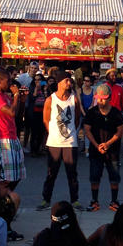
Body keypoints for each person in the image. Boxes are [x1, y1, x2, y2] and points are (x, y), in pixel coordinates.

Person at [38, 70, 83, 211]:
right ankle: (46, 200)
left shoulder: (74, 99)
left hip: (70, 143)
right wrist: (54, 134)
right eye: (67, 81)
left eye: (70, 80)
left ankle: (75, 200)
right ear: (59, 82)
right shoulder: (50, 99)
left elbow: (76, 120)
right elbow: (46, 120)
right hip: (54, 143)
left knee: (72, 174)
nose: (69, 83)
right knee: (51, 173)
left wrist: (71, 134)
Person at [83, 83, 123, 212]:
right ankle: (94, 201)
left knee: (114, 177)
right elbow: (87, 130)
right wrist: (96, 145)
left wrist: (108, 143)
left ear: (110, 98)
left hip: (112, 150)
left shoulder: (116, 113)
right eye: (98, 98)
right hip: (96, 150)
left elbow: (120, 131)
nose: (100, 101)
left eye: (103, 98)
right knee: (94, 177)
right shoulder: (91, 112)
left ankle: (114, 201)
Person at [0, 68, 26, 189]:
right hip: (2, 139)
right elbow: (12, 113)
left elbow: (18, 115)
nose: (10, 84)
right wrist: (16, 94)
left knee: (18, 173)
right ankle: (0, 198)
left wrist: (22, 100)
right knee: (5, 177)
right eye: (8, 81)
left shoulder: (4, 96)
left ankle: (5, 196)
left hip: (12, 136)